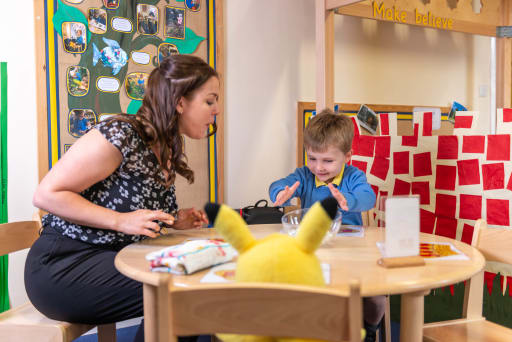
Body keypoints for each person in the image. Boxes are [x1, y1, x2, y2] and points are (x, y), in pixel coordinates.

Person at [25, 55, 220, 342]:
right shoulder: (121, 134)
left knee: (192, 278)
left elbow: (132, 209)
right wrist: (121, 221)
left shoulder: (165, 144)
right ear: (180, 102)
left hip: (107, 260)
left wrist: (175, 220)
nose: (217, 110)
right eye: (210, 101)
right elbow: (46, 194)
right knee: (180, 286)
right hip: (62, 266)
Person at [268, 109, 384, 342]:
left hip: (351, 251)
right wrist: (280, 192)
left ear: (347, 157)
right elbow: (280, 183)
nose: (318, 167)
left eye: (328, 161)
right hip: (317, 250)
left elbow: (368, 197)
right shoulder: (305, 175)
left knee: (376, 295)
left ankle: (369, 330)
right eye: (312, 158)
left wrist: (347, 200)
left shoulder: (353, 177)